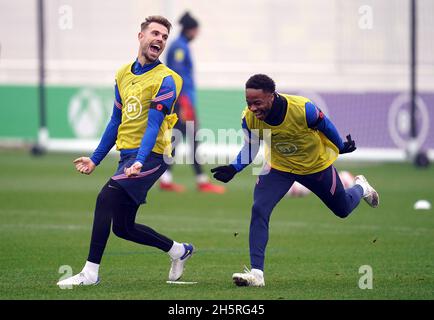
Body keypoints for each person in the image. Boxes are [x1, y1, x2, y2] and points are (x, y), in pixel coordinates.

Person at [57, 16, 194, 287]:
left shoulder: (168, 79)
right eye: (155, 33)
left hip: (154, 155)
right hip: (128, 157)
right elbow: (114, 121)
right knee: (123, 227)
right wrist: (95, 159)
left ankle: (90, 273)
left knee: (104, 198)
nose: (160, 39)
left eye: (165, 37)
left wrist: (140, 161)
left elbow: (154, 125)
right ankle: (179, 251)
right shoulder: (122, 74)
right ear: (140, 36)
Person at [211, 74, 379, 287]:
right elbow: (251, 146)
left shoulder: (302, 108)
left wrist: (340, 145)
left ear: (271, 97)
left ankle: (360, 187)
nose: (252, 108)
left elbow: (326, 125)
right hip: (278, 168)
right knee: (260, 209)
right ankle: (257, 274)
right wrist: (234, 168)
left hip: (315, 166)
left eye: (257, 103)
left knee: (343, 209)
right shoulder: (249, 119)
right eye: (249, 103)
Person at [159, 12, 225, 194]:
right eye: (196, 30)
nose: (197, 34)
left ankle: (166, 179)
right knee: (192, 138)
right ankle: (201, 181)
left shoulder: (180, 46)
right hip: (183, 100)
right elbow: (177, 74)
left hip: (182, 100)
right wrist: (183, 103)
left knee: (177, 139)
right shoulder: (180, 47)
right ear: (190, 30)